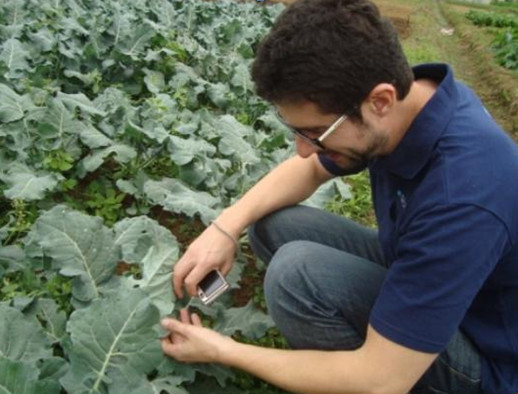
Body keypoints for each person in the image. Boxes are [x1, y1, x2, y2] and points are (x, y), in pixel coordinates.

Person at [161, 0, 518, 392]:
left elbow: (381, 381)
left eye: (315, 133)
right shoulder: (414, 101)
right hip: (439, 281)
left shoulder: (463, 199)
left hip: (487, 359)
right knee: (274, 226)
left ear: (379, 102)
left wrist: (224, 351)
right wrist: (224, 227)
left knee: (295, 276)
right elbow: (311, 168)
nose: (301, 149)